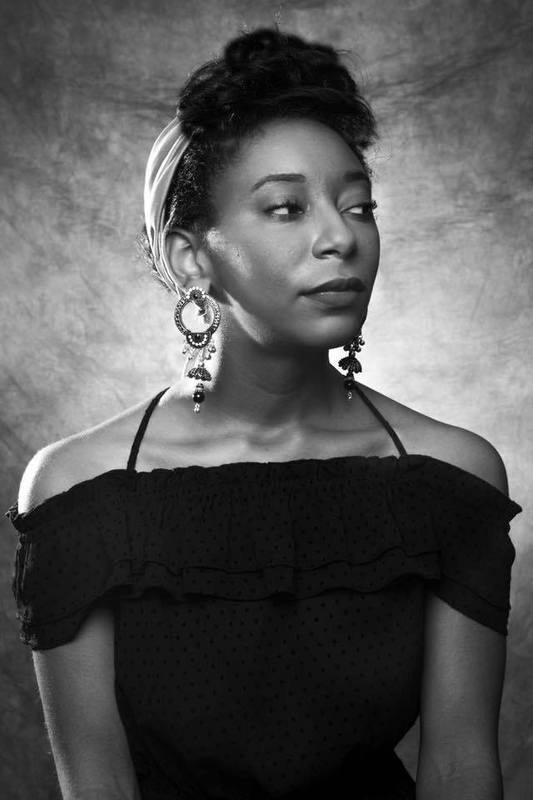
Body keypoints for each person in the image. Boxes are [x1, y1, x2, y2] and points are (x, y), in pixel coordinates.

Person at [5, 26, 523, 800]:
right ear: (191, 257)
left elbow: (459, 770)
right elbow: (97, 786)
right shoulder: (83, 489)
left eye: (358, 205)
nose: (339, 237)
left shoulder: (450, 477)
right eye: (285, 208)